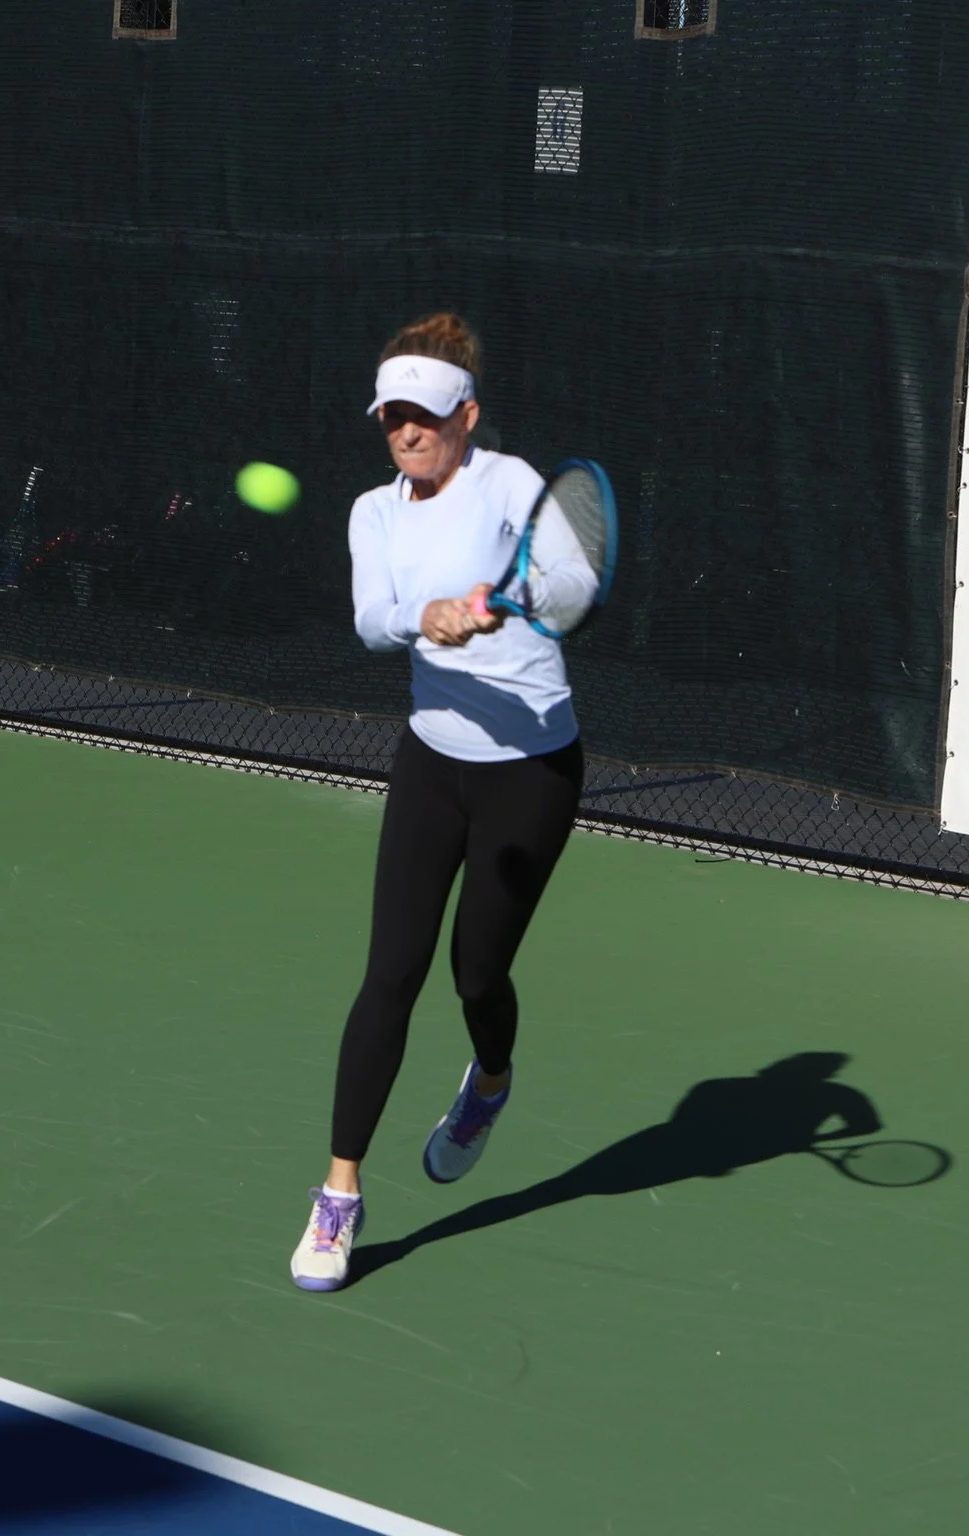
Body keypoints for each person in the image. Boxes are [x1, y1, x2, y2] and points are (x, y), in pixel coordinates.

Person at [292, 313, 593, 1292]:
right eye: (391, 417)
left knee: (477, 976)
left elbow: (575, 584)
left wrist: (513, 596)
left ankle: (490, 1082)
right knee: (392, 972)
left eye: (423, 415)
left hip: (533, 769)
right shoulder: (372, 512)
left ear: (467, 415)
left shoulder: (509, 484)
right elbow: (373, 618)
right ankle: (338, 1196)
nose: (406, 433)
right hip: (431, 763)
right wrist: (425, 615)